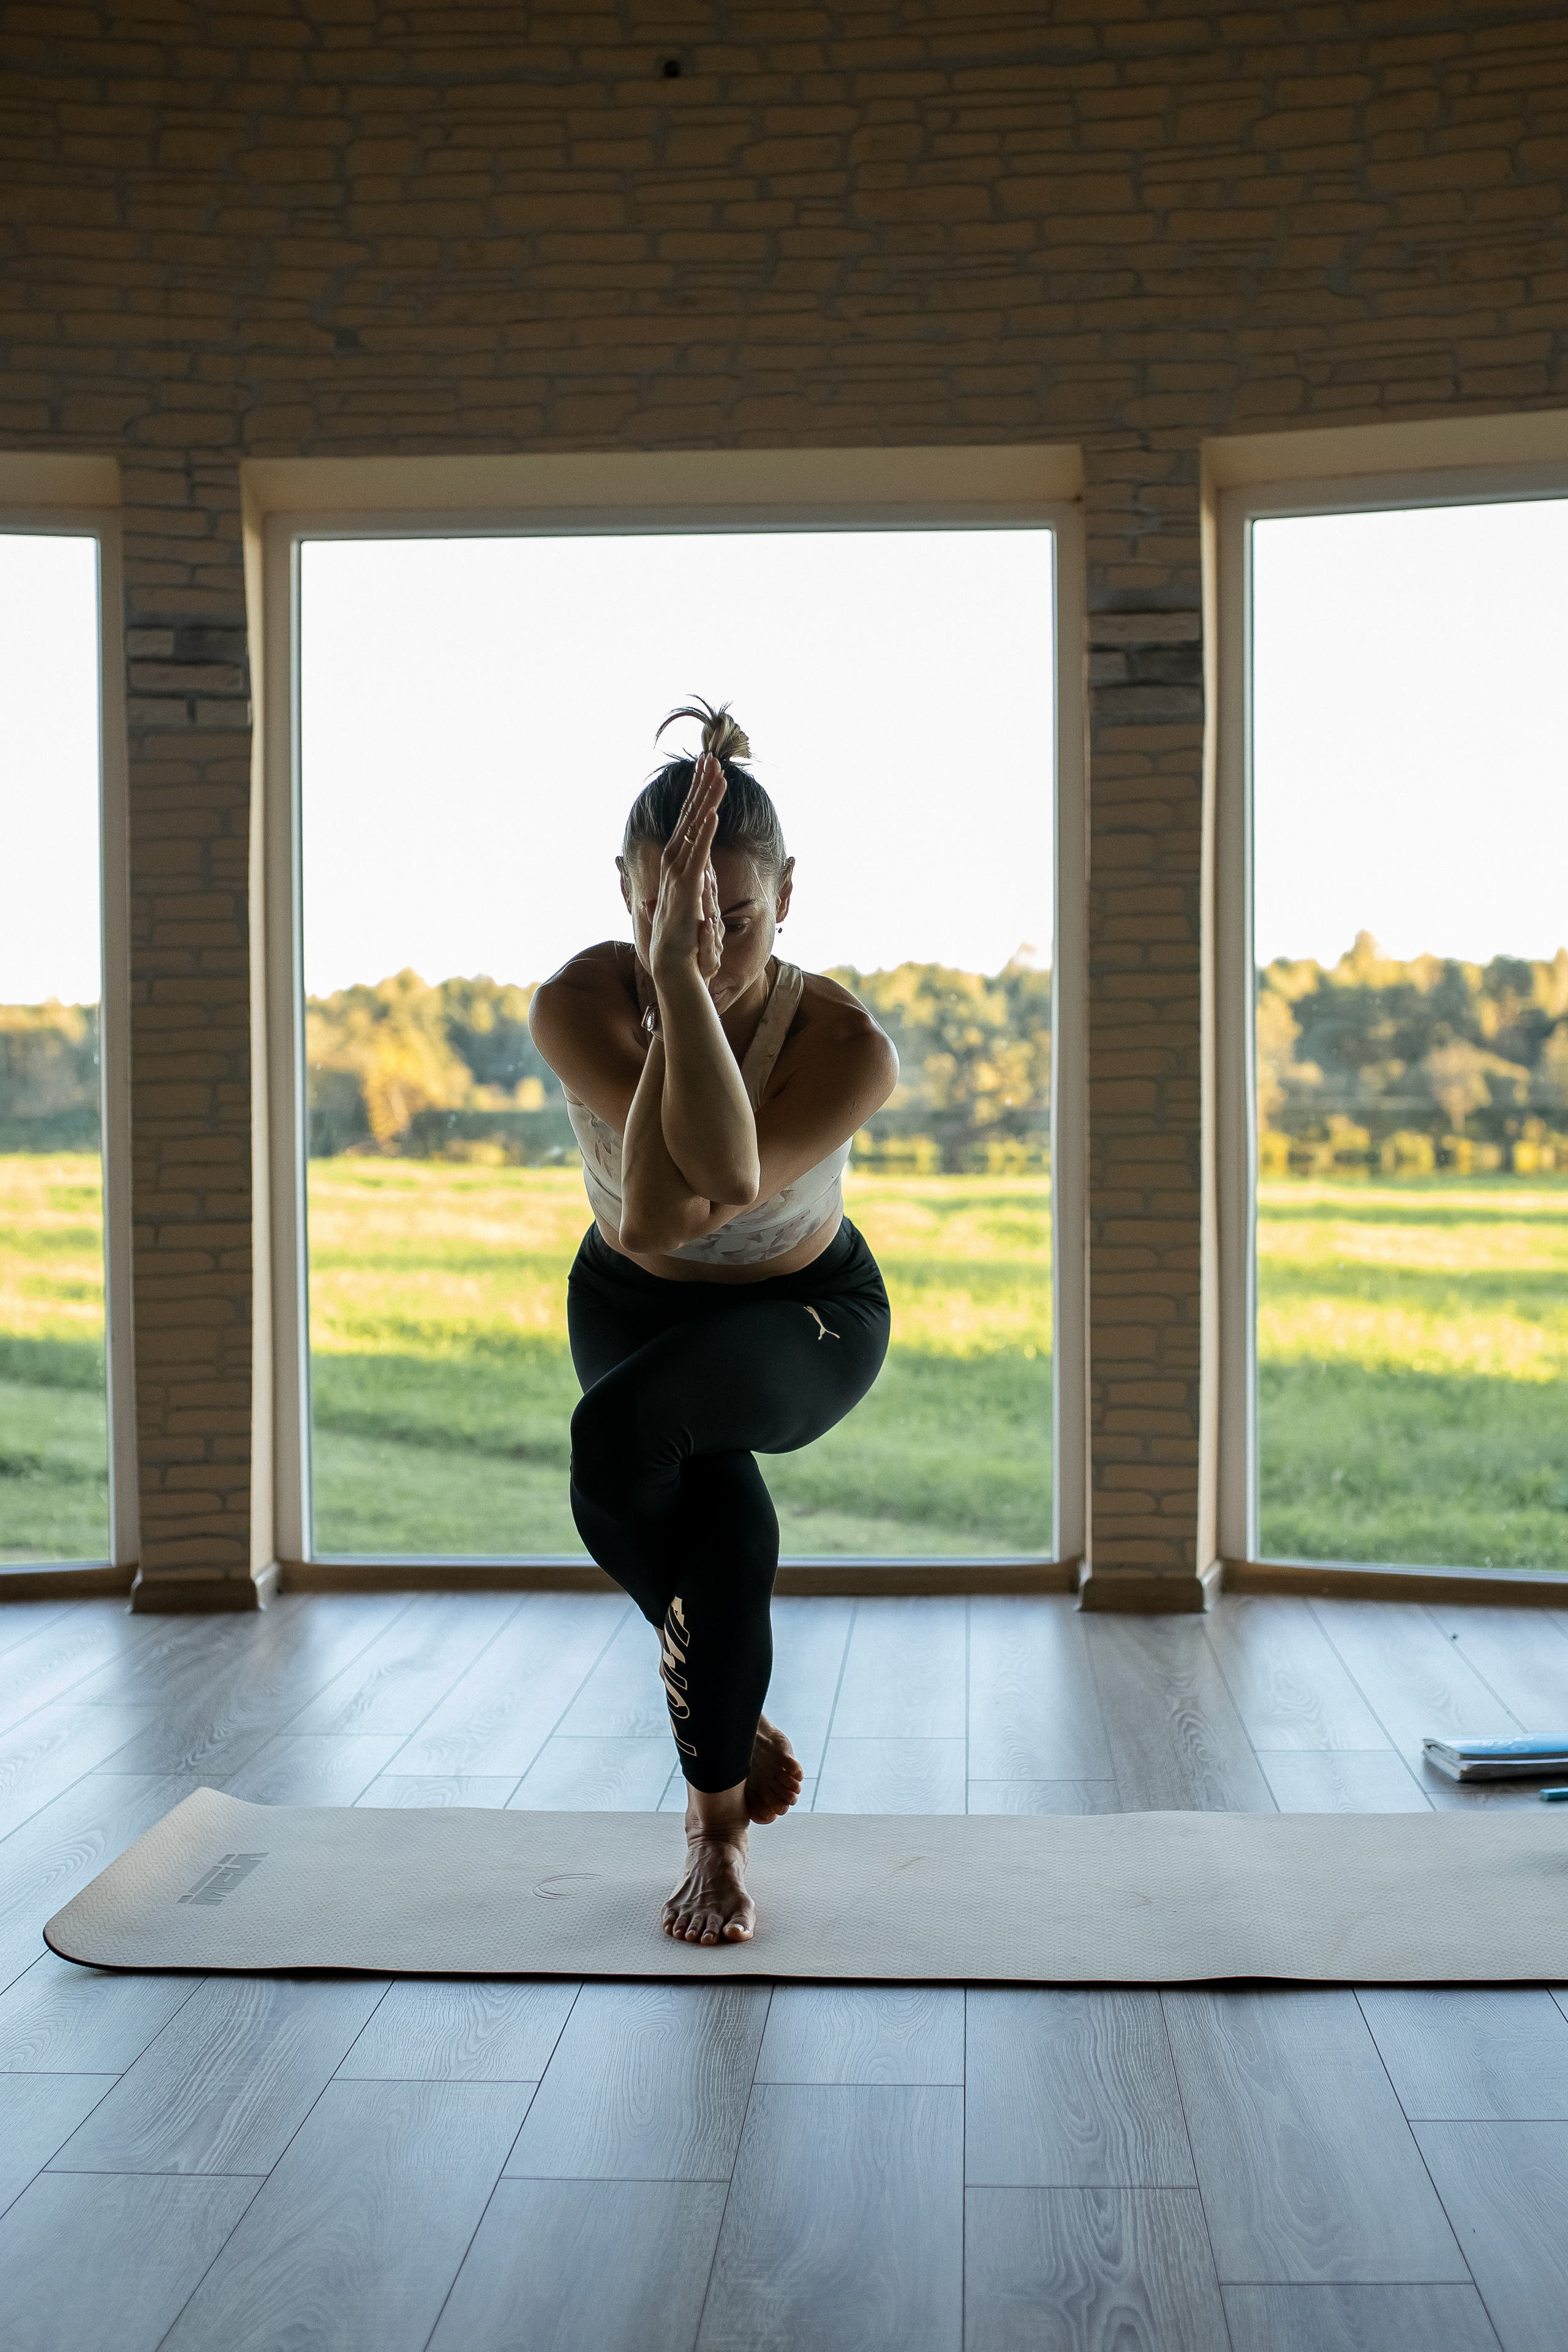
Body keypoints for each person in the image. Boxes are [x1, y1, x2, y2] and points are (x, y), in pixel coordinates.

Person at [529, 699, 897, 1945]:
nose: (708, 938)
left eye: (735, 915)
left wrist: (676, 973)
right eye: (670, 910)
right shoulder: (575, 1003)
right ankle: (716, 1820)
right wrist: (668, 970)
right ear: (619, 891)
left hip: (805, 1315)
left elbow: (714, 1191)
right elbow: (642, 1229)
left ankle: (715, 1793)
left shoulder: (845, 1044)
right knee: (716, 1536)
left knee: (631, 1421)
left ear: (786, 895)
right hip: (628, 1303)